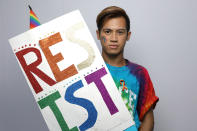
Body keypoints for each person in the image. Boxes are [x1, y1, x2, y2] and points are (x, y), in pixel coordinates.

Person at [96, 6, 159, 131]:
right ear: (98, 34)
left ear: (128, 35)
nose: (114, 38)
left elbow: (148, 119)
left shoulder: (139, 73)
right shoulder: (87, 69)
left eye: (120, 32)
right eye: (107, 31)